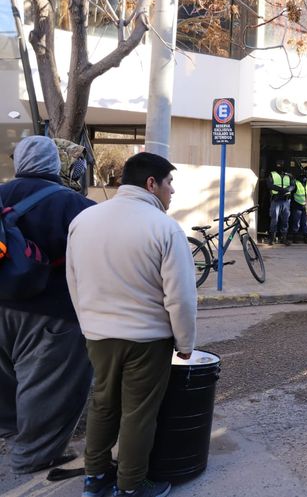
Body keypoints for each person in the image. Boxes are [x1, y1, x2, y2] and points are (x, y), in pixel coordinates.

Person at [67, 152, 197, 497]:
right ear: (151, 183)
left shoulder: (84, 220)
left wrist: (88, 325)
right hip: (147, 339)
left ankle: (95, 479)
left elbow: (74, 280)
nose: (172, 191)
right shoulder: (165, 228)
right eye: (169, 183)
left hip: (98, 335)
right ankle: (132, 484)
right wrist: (185, 343)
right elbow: (180, 297)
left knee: (103, 404)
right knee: (139, 412)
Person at [0, 136, 95, 474]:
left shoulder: (1, 194)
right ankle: (35, 454)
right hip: (51, 313)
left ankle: (11, 432)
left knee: (7, 379)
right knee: (50, 384)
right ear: (56, 164)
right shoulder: (75, 206)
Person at [266, 161, 295, 246]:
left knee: (285, 221)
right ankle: (272, 238)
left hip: (286, 201)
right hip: (276, 200)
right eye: (279, 165)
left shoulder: (289, 175)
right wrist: (282, 190)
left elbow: (293, 186)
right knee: (274, 220)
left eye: (282, 165)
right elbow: (269, 185)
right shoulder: (272, 174)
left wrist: (286, 190)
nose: (281, 167)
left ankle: (284, 238)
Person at [289, 169, 307, 243]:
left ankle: (306, 238)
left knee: (305, 223)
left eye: (305, 176)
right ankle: (295, 238)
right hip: (297, 205)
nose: (304, 178)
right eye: (303, 176)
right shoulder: (296, 183)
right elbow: (292, 194)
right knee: (296, 222)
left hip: (306, 206)